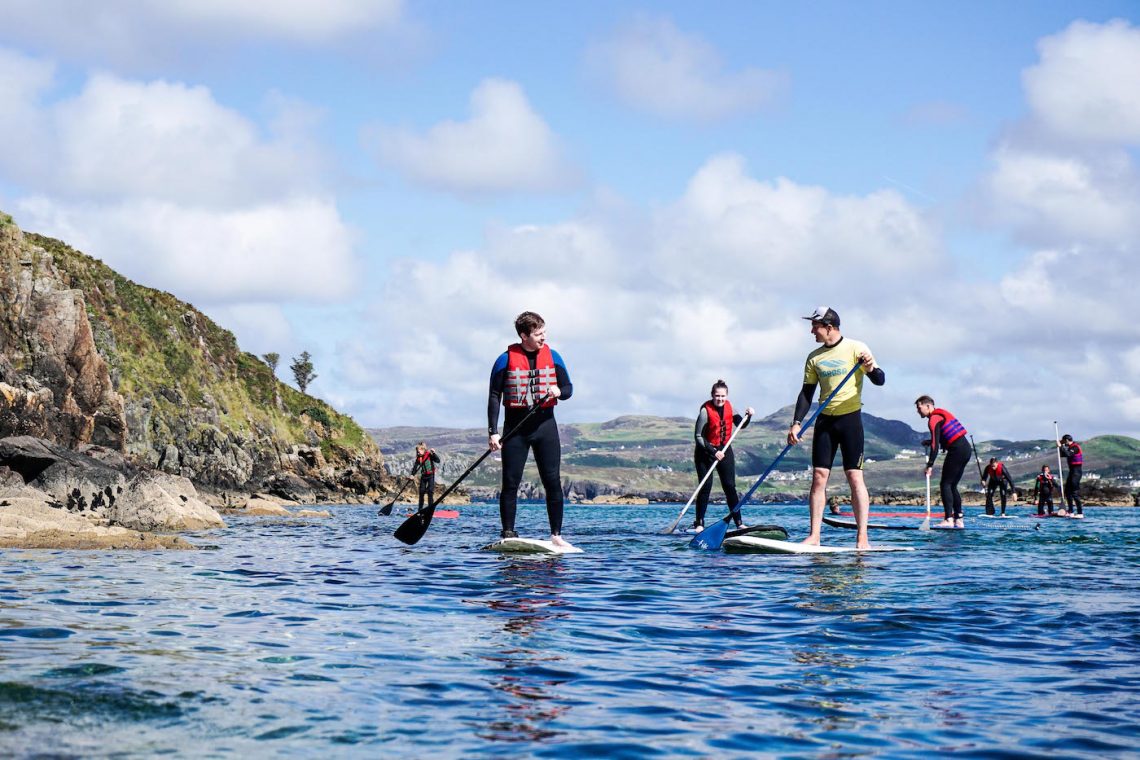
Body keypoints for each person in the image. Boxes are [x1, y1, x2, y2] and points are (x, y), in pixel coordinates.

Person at [786, 307, 885, 549]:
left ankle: (862, 537)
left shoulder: (857, 348)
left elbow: (880, 379)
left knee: (854, 476)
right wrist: (796, 423)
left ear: (829, 327)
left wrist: (870, 368)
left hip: (850, 420)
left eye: (815, 326)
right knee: (819, 478)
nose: (812, 331)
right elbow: (807, 393)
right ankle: (814, 536)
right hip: (825, 421)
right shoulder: (813, 357)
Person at [487, 311, 574, 547]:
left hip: (545, 427)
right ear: (524, 335)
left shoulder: (553, 356)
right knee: (510, 483)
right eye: (538, 334)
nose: (543, 338)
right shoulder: (504, 360)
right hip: (515, 430)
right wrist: (493, 432)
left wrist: (559, 391)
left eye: (544, 332)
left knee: (552, 481)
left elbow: (568, 388)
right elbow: (495, 396)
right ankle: (508, 533)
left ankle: (556, 535)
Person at [692, 380, 754, 531]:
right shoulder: (705, 412)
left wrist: (748, 416)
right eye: (717, 396)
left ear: (726, 396)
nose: (720, 399)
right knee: (705, 487)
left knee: (729, 487)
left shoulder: (730, 408)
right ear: (712, 395)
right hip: (705, 451)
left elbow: (741, 424)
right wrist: (714, 452)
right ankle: (699, 523)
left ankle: (739, 523)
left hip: (725, 449)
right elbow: (698, 436)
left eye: (723, 396)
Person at [915, 397, 971, 528]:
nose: (918, 411)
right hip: (965, 449)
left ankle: (948, 519)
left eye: (919, 408)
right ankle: (959, 519)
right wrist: (929, 442)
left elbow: (935, 446)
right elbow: (940, 439)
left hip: (957, 451)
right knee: (952, 485)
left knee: (945, 484)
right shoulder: (939, 416)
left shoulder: (933, 419)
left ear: (928, 406)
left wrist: (929, 465)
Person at [1058, 434, 1084, 517]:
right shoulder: (1069, 447)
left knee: (1074, 493)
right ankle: (1070, 511)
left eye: (1063, 441)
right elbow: (1063, 455)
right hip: (1072, 471)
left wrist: (1061, 446)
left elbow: (1069, 454)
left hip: (1076, 472)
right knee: (1067, 492)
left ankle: (1080, 513)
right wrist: (1060, 447)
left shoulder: (1075, 447)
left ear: (1066, 440)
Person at [414, 442, 441, 510]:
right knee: (421, 492)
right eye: (417, 452)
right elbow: (415, 467)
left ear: (423, 450)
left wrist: (434, 453)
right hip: (424, 476)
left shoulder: (429, 455)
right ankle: (420, 509)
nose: (418, 453)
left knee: (430, 491)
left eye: (418, 451)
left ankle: (430, 508)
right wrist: (412, 475)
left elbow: (438, 460)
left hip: (431, 475)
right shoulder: (419, 458)